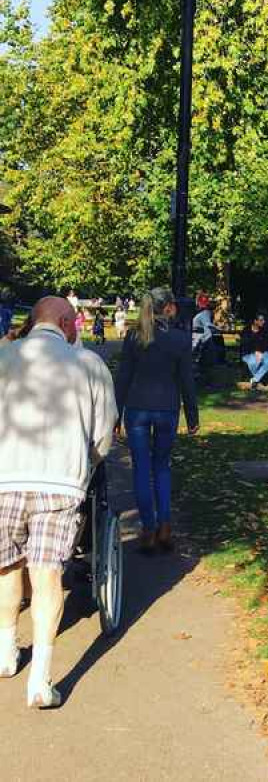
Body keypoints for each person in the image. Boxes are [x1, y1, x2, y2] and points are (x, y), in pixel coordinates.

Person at [0, 296, 116, 708]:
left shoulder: (5, 356)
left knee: (7, 568)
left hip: (6, 477)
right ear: (66, 323)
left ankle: (6, 650)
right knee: (48, 575)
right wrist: (86, 462)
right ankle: (40, 680)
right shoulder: (88, 365)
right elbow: (104, 435)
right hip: (61, 482)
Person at [115, 287, 199, 554]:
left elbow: (124, 378)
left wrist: (115, 414)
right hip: (167, 408)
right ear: (170, 308)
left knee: (141, 468)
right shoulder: (180, 339)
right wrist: (193, 416)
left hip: (137, 408)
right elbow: (187, 380)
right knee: (162, 466)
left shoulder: (134, 336)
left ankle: (148, 528)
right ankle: (165, 525)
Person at [240, 313, 268, 389]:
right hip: (248, 354)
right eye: (261, 320)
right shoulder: (246, 331)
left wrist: (260, 351)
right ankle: (260, 380)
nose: (263, 322)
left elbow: (267, 344)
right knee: (253, 362)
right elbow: (245, 345)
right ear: (255, 321)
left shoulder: (264, 331)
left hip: (262, 352)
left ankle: (255, 379)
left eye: (264, 320)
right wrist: (255, 352)